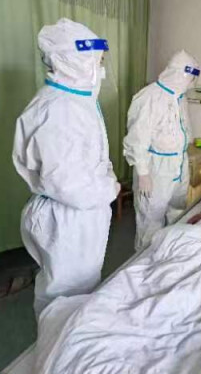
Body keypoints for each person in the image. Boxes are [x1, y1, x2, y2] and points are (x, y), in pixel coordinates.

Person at [13, 18, 120, 317]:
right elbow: (69, 184)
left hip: (79, 213)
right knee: (63, 297)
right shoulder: (59, 110)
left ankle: (68, 336)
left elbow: (91, 156)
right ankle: (56, 342)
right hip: (67, 218)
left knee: (78, 289)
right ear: (74, 59)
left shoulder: (75, 100)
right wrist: (110, 188)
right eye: (97, 59)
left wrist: (107, 180)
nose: (101, 67)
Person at [124, 50, 200, 250]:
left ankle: (169, 253)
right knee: (151, 219)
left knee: (177, 211)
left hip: (178, 165)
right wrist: (143, 173)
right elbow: (137, 139)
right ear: (180, 74)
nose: (192, 82)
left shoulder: (180, 97)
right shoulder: (149, 97)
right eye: (191, 77)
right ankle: (145, 259)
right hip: (156, 169)